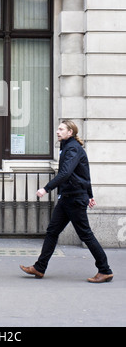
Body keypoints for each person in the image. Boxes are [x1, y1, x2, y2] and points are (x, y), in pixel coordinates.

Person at [20, 120, 113, 283]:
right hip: (68, 198)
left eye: (61, 129)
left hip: (74, 198)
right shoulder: (68, 148)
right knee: (52, 231)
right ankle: (39, 267)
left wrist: (46, 188)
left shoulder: (72, 149)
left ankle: (105, 270)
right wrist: (90, 195)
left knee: (86, 234)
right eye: (58, 129)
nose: (57, 131)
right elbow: (84, 173)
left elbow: (65, 173)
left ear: (70, 132)